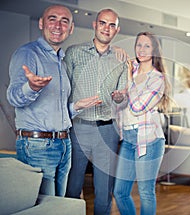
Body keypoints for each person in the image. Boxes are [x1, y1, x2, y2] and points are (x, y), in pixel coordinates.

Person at [6, 4, 101, 197]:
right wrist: (30, 87)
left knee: (58, 206)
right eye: (52, 19)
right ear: (42, 23)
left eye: (64, 21)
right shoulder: (28, 53)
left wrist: (76, 107)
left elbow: (54, 109)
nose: (58, 25)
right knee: (43, 207)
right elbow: (13, 96)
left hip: (63, 144)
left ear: (71, 29)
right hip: (37, 146)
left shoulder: (61, 60)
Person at [64, 8, 128, 215]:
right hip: (78, 128)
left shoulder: (121, 59)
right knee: (72, 186)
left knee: (104, 189)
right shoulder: (74, 53)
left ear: (117, 30)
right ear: (95, 25)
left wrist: (120, 98)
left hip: (107, 130)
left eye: (112, 25)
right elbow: (62, 91)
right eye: (103, 23)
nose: (106, 28)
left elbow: (124, 98)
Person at [113, 32, 170, 215]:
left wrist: (129, 79)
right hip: (128, 138)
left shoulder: (157, 79)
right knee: (120, 192)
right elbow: (123, 105)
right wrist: (119, 97)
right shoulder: (132, 68)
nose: (141, 50)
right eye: (139, 45)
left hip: (149, 140)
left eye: (147, 46)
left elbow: (137, 107)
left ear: (154, 50)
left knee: (146, 192)